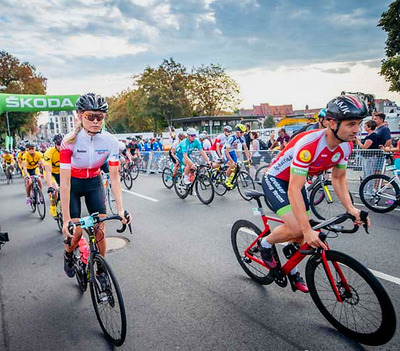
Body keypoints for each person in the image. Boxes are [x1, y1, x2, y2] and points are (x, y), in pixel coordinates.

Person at [260, 95, 370, 293]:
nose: (357, 130)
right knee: (298, 229)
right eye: (351, 124)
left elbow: (338, 179)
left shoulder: (346, 145)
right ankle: (265, 244)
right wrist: (306, 229)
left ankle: (290, 267)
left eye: (359, 124)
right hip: (277, 179)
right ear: (331, 122)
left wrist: (351, 208)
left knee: (305, 234)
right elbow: (293, 188)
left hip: (296, 180)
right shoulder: (310, 145)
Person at [60, 93, 131, 286]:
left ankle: (101, 271)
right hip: (73, 185)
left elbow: (114, 177)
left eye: (100, 117)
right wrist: (66, 219)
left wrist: (120, 210)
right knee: (76, 233)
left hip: (94, 183)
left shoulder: (110, 141)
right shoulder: (69, 141)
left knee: (99, 230)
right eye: (90, 116)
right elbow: (64, 184)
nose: (95, 121)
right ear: (80, 115)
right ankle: (68, 254)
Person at [222, 124, 251, 189]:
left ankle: (231, 180)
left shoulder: (242, 137)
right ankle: (226, 181)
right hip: (225, 151)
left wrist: (248, 158)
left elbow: (245, 148)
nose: (242, 134)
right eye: (241, 132)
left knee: (237, 167)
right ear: (237, 132)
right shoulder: (231, 138)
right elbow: (226, 152)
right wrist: (232, 161)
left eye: (243, 132)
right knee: (232, 165)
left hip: (232, 151)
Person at [354, 120, 379, 185]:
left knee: (369, 174)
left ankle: (369, 190)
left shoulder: (372, 136)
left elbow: (364, 147)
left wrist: (357, 141)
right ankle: (365, 189)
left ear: (370, 127)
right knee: (366, 173)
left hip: (369, 157)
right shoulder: (369, 135)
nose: (364, 127)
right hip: (366, 157)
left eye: (365, 126)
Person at [44, 134, 62, 218]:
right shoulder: (49, 152)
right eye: (59, 144)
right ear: (55, 144)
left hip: (62, 173)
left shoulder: (67, 150)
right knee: (55, 190)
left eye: (62, 144)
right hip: (51, 173)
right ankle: (53, 205)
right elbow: (48, 171)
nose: (61, 146)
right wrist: (50, 186)